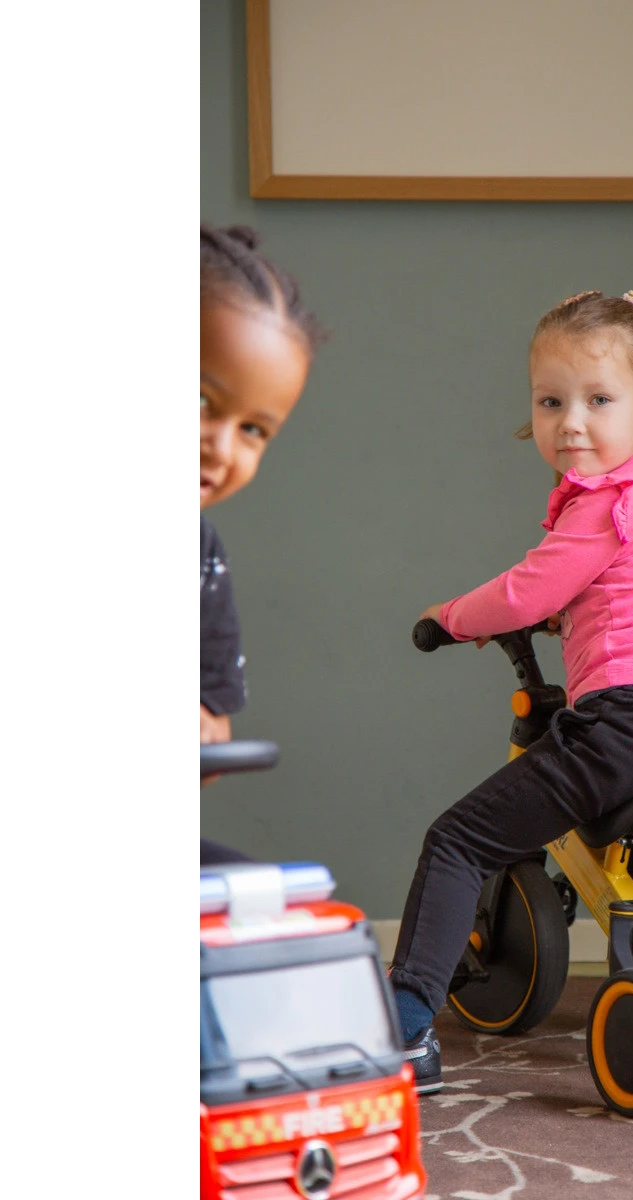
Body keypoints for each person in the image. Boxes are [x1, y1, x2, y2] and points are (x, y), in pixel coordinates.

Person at [389, 288, 633, 1096]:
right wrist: (565, 615)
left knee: (459, 840)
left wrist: (452, 617)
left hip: (631, 725)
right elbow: (624, 592)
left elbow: (527, 590)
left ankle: (406, 1027)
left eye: (599, 400)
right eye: (550, 401)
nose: (571, 422)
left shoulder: (606, 500)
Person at [200, 223, 321, 865]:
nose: (221, 448)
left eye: (253, 429)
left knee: (255, 897)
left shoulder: (199, 557)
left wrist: (201, 726)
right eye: (200, 400)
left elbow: (210, 720)